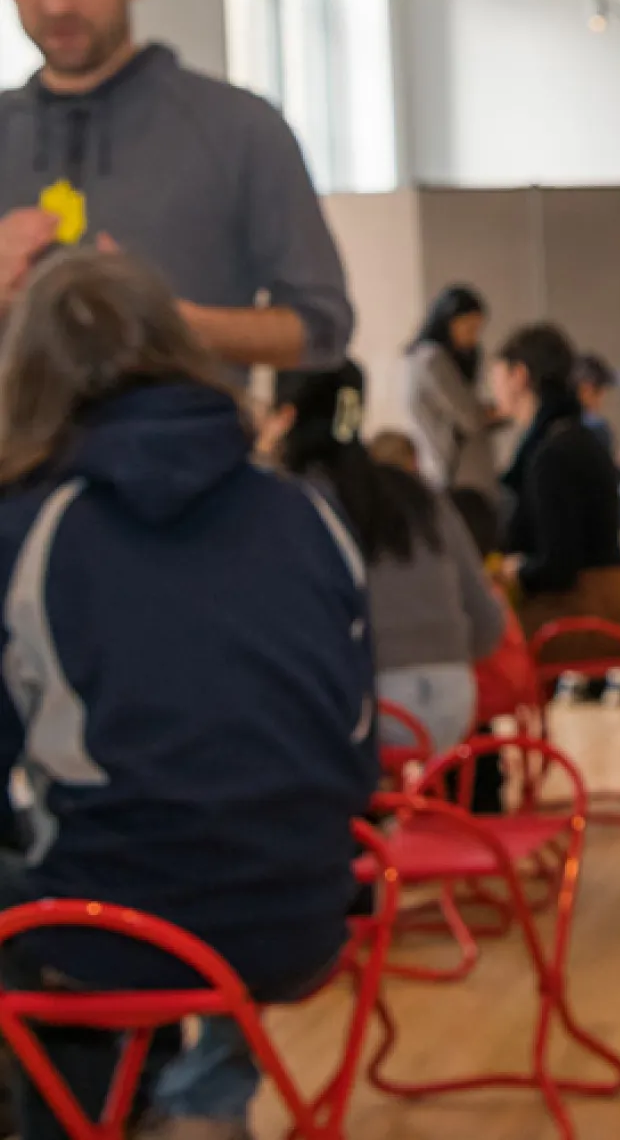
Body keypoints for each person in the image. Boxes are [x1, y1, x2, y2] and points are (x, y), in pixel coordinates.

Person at [0, 251, 373, 1140]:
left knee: (72, 873)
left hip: (115, 925)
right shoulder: (306, 513)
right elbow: (353, 743)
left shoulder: (29, 526)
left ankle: (126, 1105)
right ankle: (196, 1095)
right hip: (300, 912)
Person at [0, 0, 350, 372]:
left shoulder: (238, 129)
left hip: (183, 446)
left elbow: (321, 328)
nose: (56, 3)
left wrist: (170, 324)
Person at [270, 362, 507, 755]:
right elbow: (486, 624)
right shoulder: (418, 493)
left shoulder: (295, 502)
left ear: (286, 416)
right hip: (455, 702)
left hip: (368, 709)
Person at [489, 322, 620, 665]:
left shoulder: (551, 452)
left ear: (519, 375)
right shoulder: (574, 436)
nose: (492, 387)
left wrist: (513, 570)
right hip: (617, 602)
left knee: (483, 638)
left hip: (590, 610)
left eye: (497, 375)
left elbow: (558, 565)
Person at [406, 285, 501, 555]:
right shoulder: (431, 359)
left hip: (457, 474)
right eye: (469, 328)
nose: (473, 338)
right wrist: (504, 409)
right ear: (447, 320)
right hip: (455, 477)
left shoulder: (428, 359)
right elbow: (469, 416)